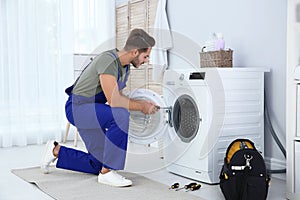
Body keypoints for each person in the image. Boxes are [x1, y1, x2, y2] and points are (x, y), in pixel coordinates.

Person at [40, 28, 158, 187]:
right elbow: (115, 101)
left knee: (99, 162)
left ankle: (56, 151)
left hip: (94, 110)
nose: (146, 60)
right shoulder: (108, 61)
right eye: (146, 56)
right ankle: (108, 172)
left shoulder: (125, 68)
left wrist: (142, 104)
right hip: (79, 108)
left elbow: (118, 97)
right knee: (121, 115)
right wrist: (141, 106)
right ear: (135, 52)